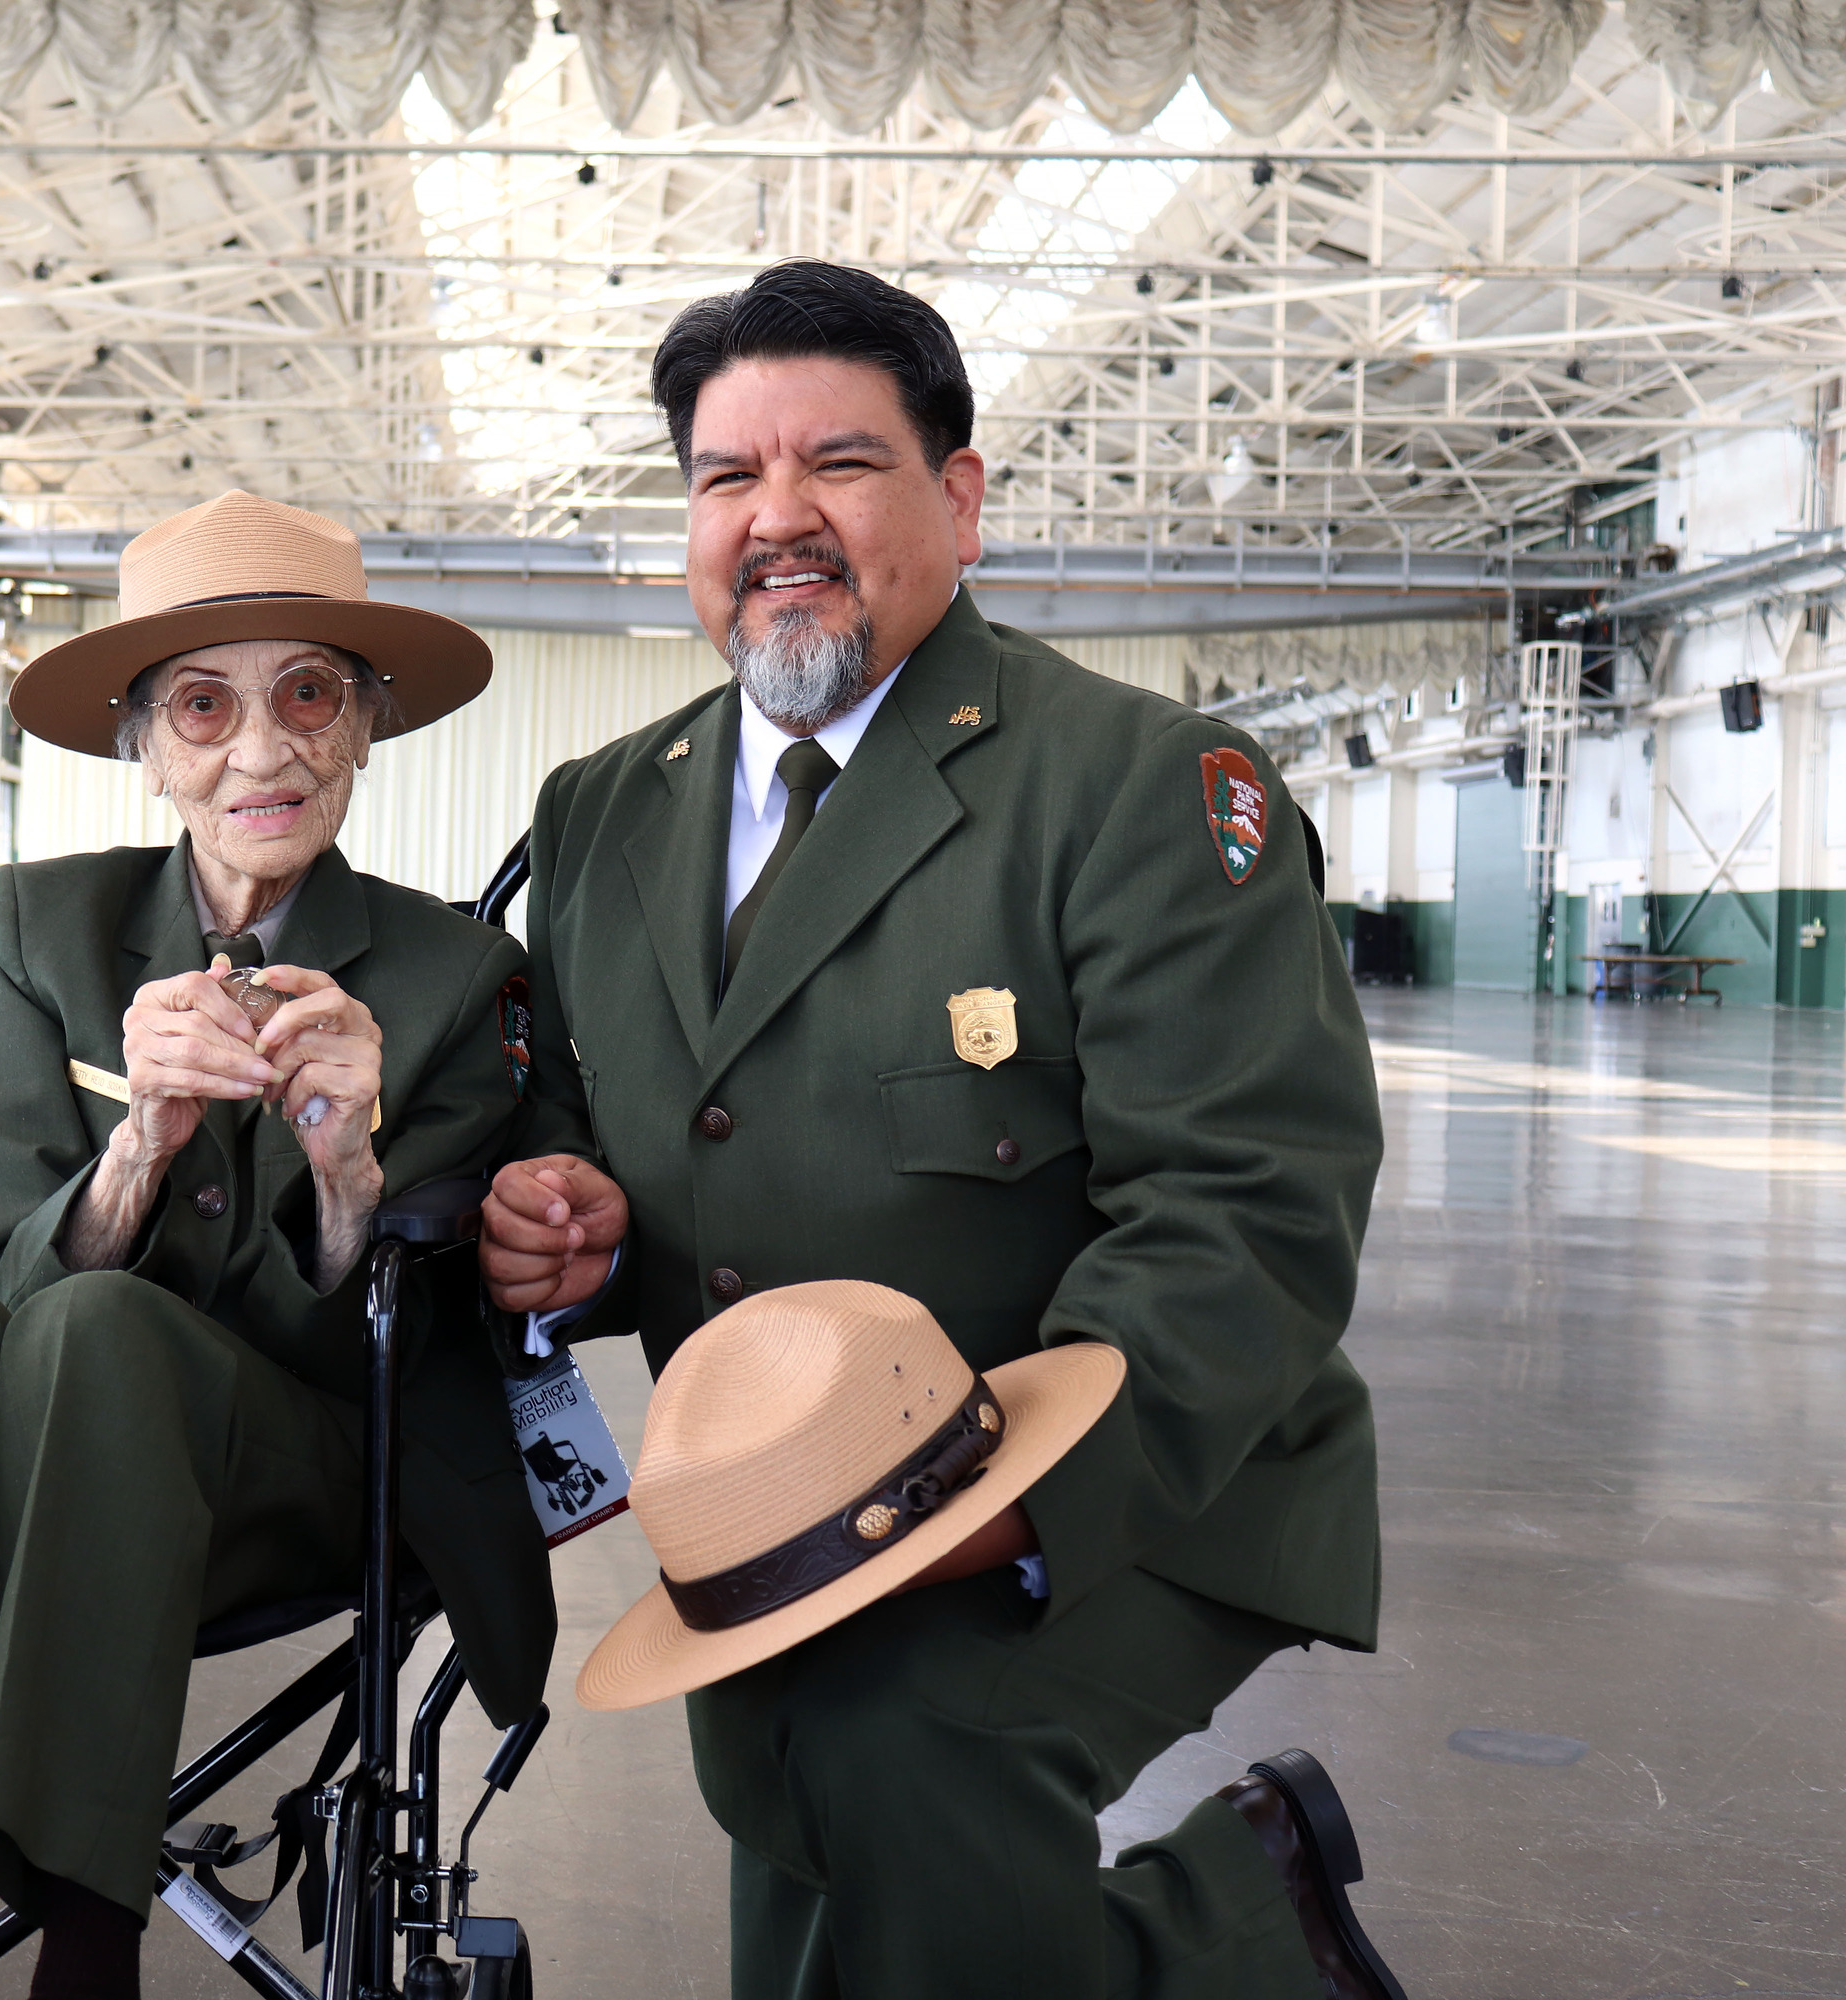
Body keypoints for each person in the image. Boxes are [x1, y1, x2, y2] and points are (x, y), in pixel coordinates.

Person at [482, 261, 1404, 2000]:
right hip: (774, 1510)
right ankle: (1250, 1913)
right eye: (724, 477)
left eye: (837, 464)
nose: (777, 521)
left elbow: (1245, 1212)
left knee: (903, 1737)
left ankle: (1228, 1944)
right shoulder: (604, 812)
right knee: (794, 1800)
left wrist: (993, 1512)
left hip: (1137, 1482)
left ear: (957, 497)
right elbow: (577, 1119)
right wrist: (548, 1214)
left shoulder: (1135, 786)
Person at [0, 490, 555, 2000]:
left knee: (101, 1329)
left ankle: (89, 1954)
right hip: (2, 1466)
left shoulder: (458, 977)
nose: (260, 751)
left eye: (309, 695)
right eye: (204, 706)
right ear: (146, 743)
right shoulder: (33, 927)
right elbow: (2, 1259)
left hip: (295, 1468)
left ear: (367, 725)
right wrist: (139, 1142)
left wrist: (349, 1168)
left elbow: (402, 1333)